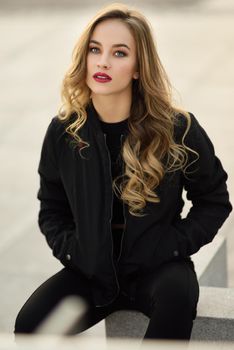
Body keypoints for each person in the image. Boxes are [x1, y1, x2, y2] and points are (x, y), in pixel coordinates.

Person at [14, 2, 232, 341]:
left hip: (159, 269)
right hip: (91, 273)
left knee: (176, 301)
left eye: (119, 53)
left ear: (137, 68)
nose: (102, 61)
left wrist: (171, 246)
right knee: (30, 324)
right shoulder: (64, 131)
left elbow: (214, 199)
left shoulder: (177, 128)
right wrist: (75, 251)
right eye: (95, 49)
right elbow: (52, 206)